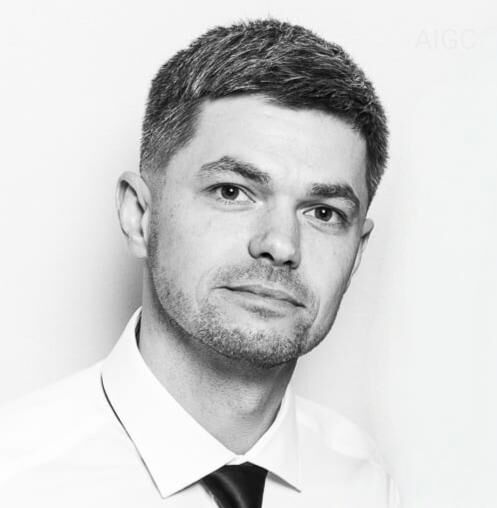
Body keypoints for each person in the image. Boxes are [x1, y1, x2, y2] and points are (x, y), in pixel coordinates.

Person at [0, 19, 399, 507]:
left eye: (323, 213)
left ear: (357, 252)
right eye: (232, 192)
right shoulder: (16, 482)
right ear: (139, 215)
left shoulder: (365, 482)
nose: (280, 245)